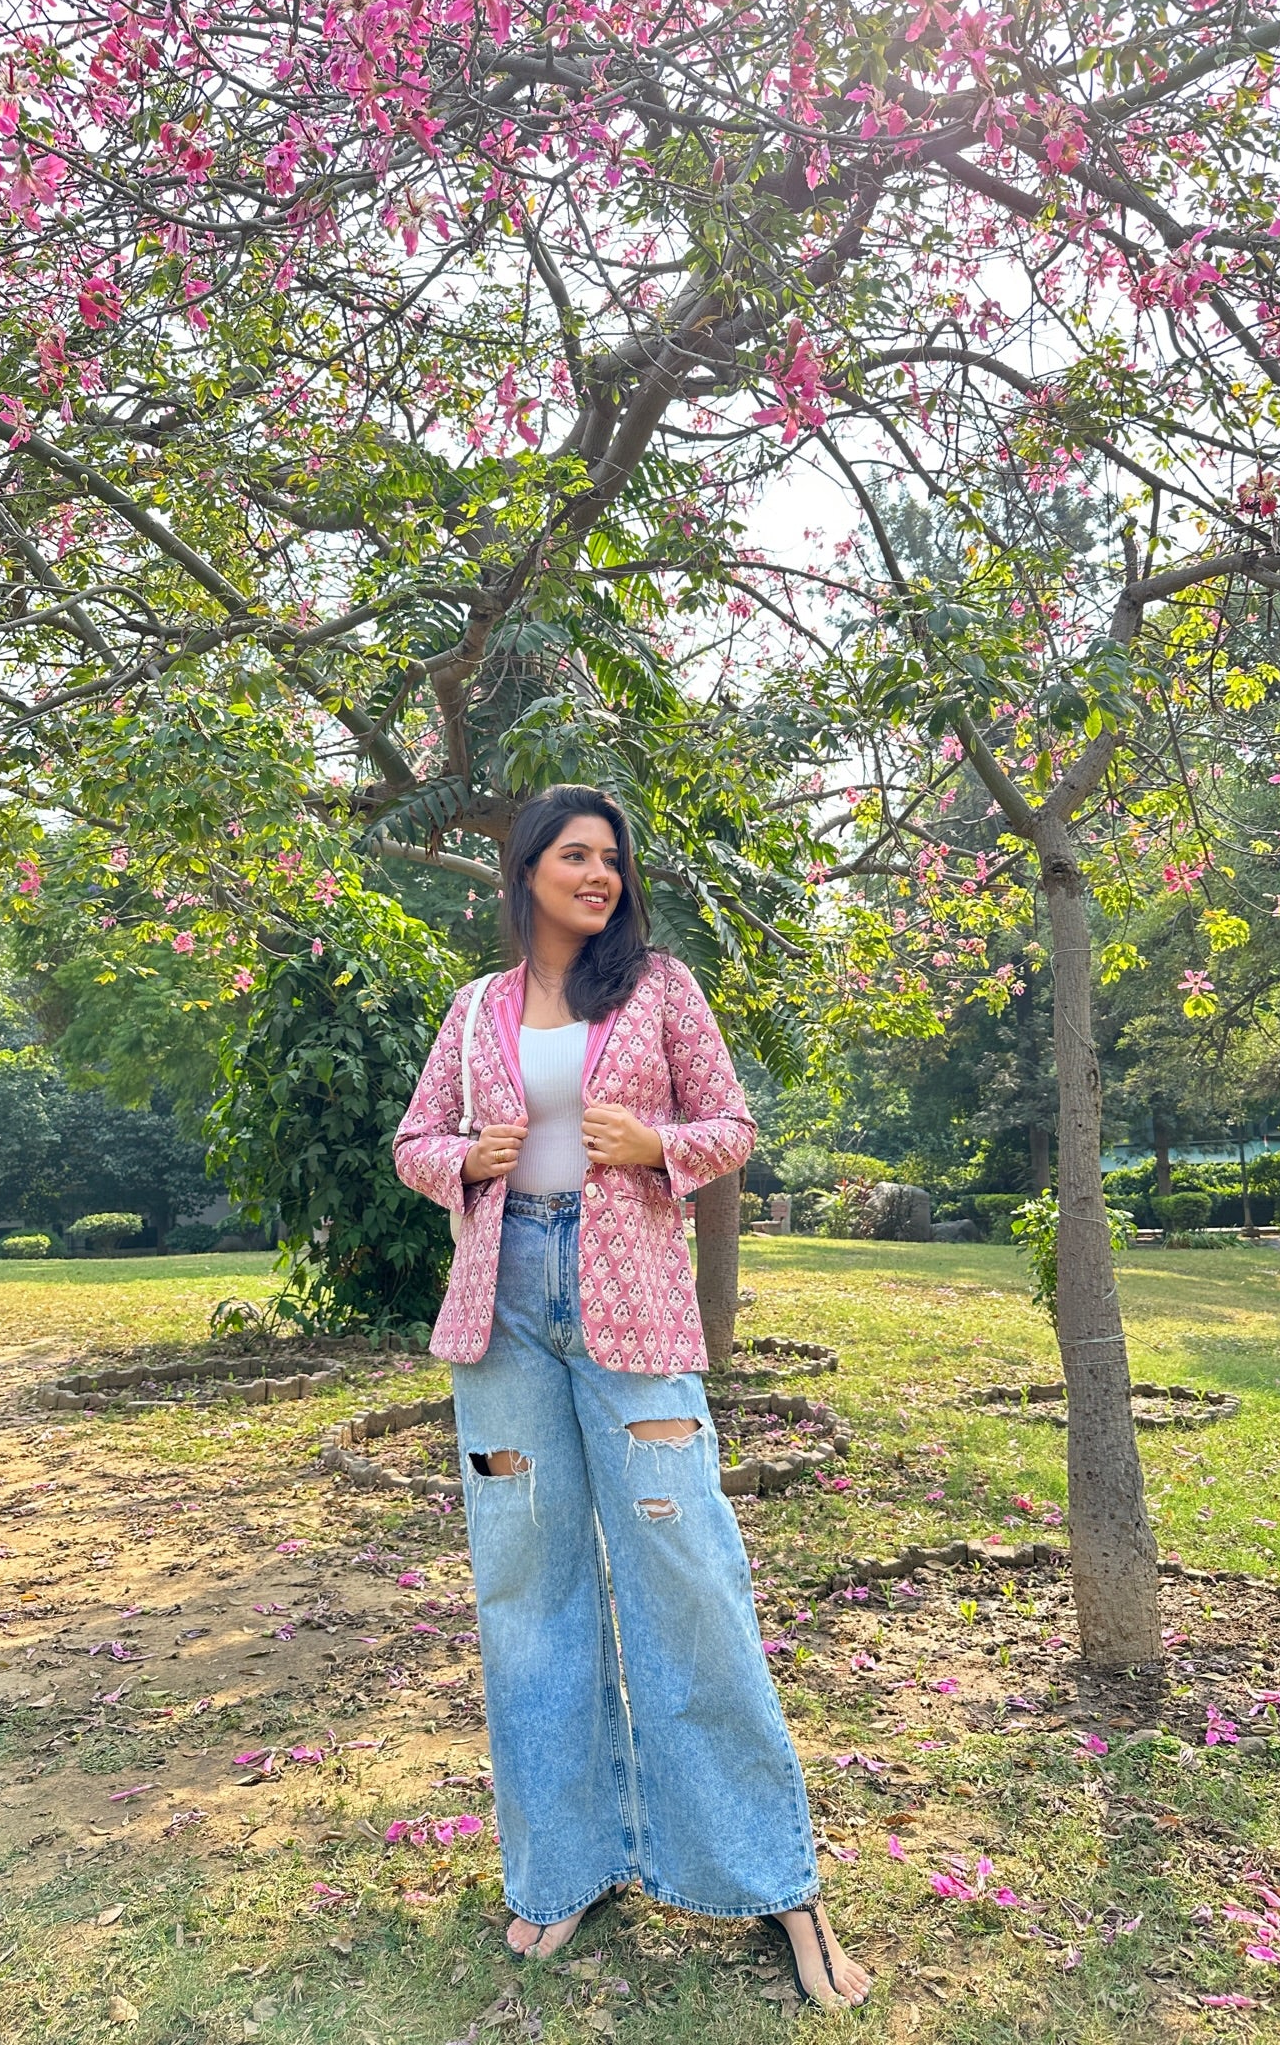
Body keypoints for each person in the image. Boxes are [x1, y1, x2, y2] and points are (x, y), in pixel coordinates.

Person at [393, 783, 870, 2010]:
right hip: (504, 1321)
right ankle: (563, 1870)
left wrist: (653, 1146)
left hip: (635, 1310)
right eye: (574, 855)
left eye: (611, 858)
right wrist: (467, 1158)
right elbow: (413, 1145)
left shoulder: (658, 988)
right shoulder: (476, 1008)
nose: (598, 875)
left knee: (689, 1577)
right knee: (525, 1587)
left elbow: (732, 1124)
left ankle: (772, 1881)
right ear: (527, 872)